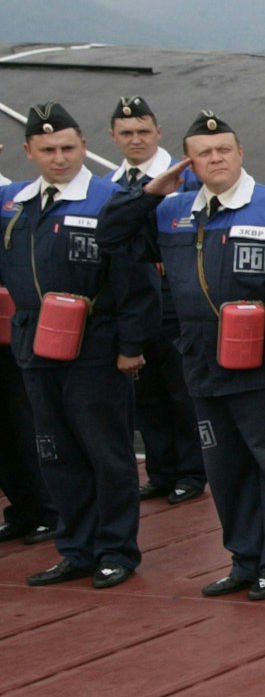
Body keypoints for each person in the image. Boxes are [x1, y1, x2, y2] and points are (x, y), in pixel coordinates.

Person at [101, 111, 265, 602]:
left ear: (241, 153)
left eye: (223, 149)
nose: (215, 158)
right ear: (190, 162)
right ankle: (245, 560)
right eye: (204, 153)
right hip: (202, 362)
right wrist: (149, 194)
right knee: (226, 471)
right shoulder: (173, 212)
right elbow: (112, 237)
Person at [0, 103, 156, 588]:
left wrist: (131, 344)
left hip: (96, 343)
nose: (59, 157)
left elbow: (137, 281)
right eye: (48, 149)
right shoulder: (14, 205)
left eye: (68, 147)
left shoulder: (109, 201)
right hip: (33, 342)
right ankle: (76, 547)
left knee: (105, 451)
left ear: (85, 146)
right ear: (29, 152)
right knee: (56, 451)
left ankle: (115, 549)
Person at [108, 96, 207, 505]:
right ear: (114, 137)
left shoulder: (186, 180)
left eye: (143, 132)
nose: (136, 140)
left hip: (172, 301)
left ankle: (190, 471)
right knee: (146, 395)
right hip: (132, 302)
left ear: (158, 133)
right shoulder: (113, 186)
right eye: (127, 133)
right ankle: (161, 469)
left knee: (180, 392)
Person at [0, 142, 55, 547]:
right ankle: (22, 506)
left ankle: (46, 507)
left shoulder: (17, 199)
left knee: (21, 419)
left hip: (9, 325)